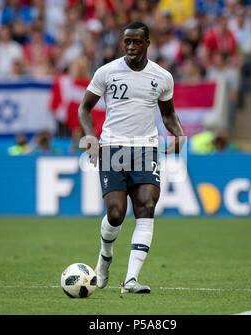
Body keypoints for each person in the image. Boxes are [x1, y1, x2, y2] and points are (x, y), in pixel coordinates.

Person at [78, 21, 184, 294]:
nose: (131, 47)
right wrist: (90, 136)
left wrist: (179, 134)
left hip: (146, 148)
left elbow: (168, 114)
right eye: (127, 42)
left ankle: (131, 280)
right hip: (113, 148)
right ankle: (105, 257)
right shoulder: (107, 72)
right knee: (115, 214)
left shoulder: (162, 77)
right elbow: (84, 108)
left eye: (137, 42)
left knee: (146, 205)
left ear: (148, 43)